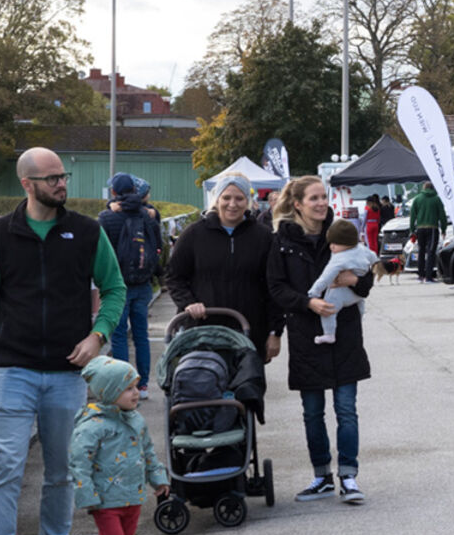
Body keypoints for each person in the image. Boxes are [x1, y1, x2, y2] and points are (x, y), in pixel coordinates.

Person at [0, 148, 127, 535]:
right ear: (27, 184)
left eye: (63, 176)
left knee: (61, 470)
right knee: (6, 467)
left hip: (66, 372)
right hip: (12, 368)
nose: (61, 184)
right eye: (51, 178)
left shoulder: (88, 232)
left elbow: (114, 289)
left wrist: (98, 336)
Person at [267, 175, 375, 505]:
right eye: (313, 198)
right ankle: (321, 476)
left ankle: (349, 476)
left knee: (346, 409)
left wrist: (356, 279)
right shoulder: (281, 240)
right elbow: (275, 288)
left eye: (322, 197)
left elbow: (367, 280)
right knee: (312, 412)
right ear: (297, 203)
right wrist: (307, 302)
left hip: (344, 332)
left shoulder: (342, 233)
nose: (320, 203)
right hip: (306, 333)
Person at [69, 356, 168, 535]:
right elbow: (79, 462)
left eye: (136, 387)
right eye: (128, 388)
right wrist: (86, 494)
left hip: (133, 495)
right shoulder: (92, 426)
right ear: (109, 391)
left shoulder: (136, 420)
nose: (136, 393)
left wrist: (158, 479)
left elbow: (148, 452)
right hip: (105, 498)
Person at [165, 173, 280, 363]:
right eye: (226, 197)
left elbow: (274, 286)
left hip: (250, 330)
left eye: (239, 198)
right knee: (205, 387)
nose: (232, 204)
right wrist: (188, 302)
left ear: (248, 201)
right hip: (203, 331)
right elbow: (174, 276)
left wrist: (275, 331)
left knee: (247, 389)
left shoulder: (263, 237)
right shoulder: (194, 234)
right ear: (216, 199)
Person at [99, 172, 164, 399]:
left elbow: (102, 254)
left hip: (118, 286)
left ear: (114, 192)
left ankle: (125, 387)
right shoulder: (147, 216)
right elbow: (158, 245)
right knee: (140, 335)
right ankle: (143, 385)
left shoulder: (107, 218)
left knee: (118, 336)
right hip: (143, 283)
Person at [309, 220, 378, 345]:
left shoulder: (339, 259)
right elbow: (374, 258)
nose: (331, 247)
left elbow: (325, 278)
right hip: (358, 295)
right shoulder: (362, 249)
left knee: (329, 307)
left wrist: (314, 292)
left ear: (347, 243)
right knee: (360, 304)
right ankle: (361, 318)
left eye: (335, 244)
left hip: (344, 294)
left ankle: (329, 333)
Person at [407, 181, 447, 282]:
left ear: (424, 188)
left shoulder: (417, 199)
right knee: (431, 252)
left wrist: (412, 229)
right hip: (432, 228)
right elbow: (442, 215)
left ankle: (420, 275)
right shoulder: (437, 199)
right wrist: (443, 229)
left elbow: (412, 216)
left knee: (421, 251)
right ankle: (429, 277)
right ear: (433, 188)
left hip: (420, 228)